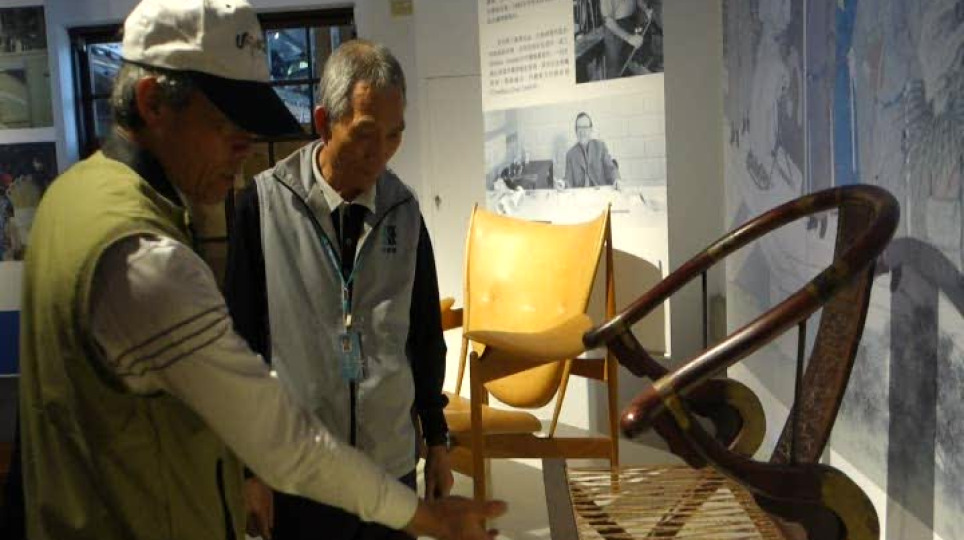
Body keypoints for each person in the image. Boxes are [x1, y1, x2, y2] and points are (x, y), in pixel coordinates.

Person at [14, 1, 505, 539]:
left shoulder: (72, 197)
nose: (244, 149)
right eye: (227, 124)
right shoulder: (145, 257)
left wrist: (432, 439)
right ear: (153, 103)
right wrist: (424, 516)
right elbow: (279, 439)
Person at [225, 39, 453, 540]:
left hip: (389, 465)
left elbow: (423, 334)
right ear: (325, 123)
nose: (381, 152)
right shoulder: (264, 206)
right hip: (301, 468)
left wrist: (436, 439)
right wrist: (249, 470)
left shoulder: (403, 210)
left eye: (395, 135)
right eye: (367, 133)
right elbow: (242, 346)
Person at [600, 0, 661, 77]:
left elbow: (638, 1)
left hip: (630, 22)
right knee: (615, 69)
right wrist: (629, 38)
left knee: (631, 64)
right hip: (614, 30)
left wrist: (646, 10)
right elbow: (608, 21)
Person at [563, 112, 620, 188]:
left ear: (591, 129)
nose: (582, 131)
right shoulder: (570, 154)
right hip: (581, 194)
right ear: (576, 131)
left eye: (585, 127)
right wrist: (562, 184)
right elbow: (568, 180)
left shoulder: (600, 147)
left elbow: (611, 169)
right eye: (579, 127)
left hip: (600, 193)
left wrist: (616, 180)